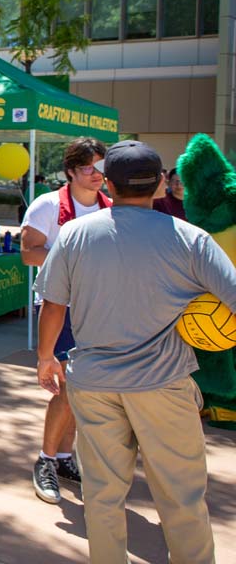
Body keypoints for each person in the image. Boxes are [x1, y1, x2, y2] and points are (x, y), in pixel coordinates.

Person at [36, 140, 236, 563]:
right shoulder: (191, 238)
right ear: (162, 182)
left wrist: (45, 357)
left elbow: (53, 304)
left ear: (108, 183)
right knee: (181, 498)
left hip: (93, 383)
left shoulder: (74, 235)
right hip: (163, 385)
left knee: (103, 497)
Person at [20, 137, 108, 504]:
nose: (97, 176)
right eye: (89, 168)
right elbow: (28, 253)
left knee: (82, 390)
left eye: (101, 168)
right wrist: (72, 258)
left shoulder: (111, 207)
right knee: (68, 388)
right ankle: (45, 460)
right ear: (71, 171)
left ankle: (65, 457)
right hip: (60, 307)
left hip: (99, 309)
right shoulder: (47, 206)